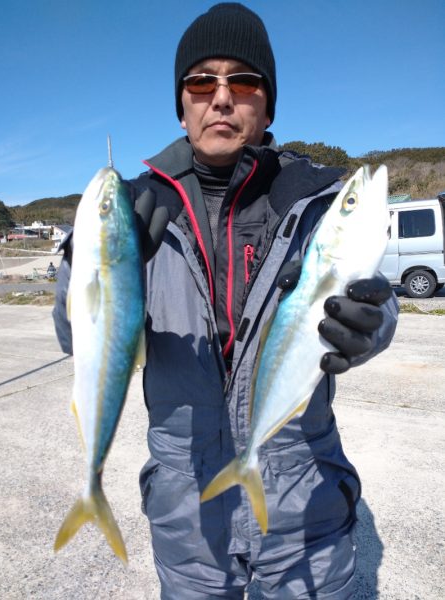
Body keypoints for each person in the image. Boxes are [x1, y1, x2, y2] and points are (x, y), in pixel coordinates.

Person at [53, 3, 398, 598]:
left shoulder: (314, 200)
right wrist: (82, 264)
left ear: (267, 102)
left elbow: (371, 296)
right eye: (200, 82)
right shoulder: (136, 211)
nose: (221, 98)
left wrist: (374, 323)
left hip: (305, 511)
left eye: (242, 81)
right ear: (181, 103)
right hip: (186, 513)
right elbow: (75, 333)